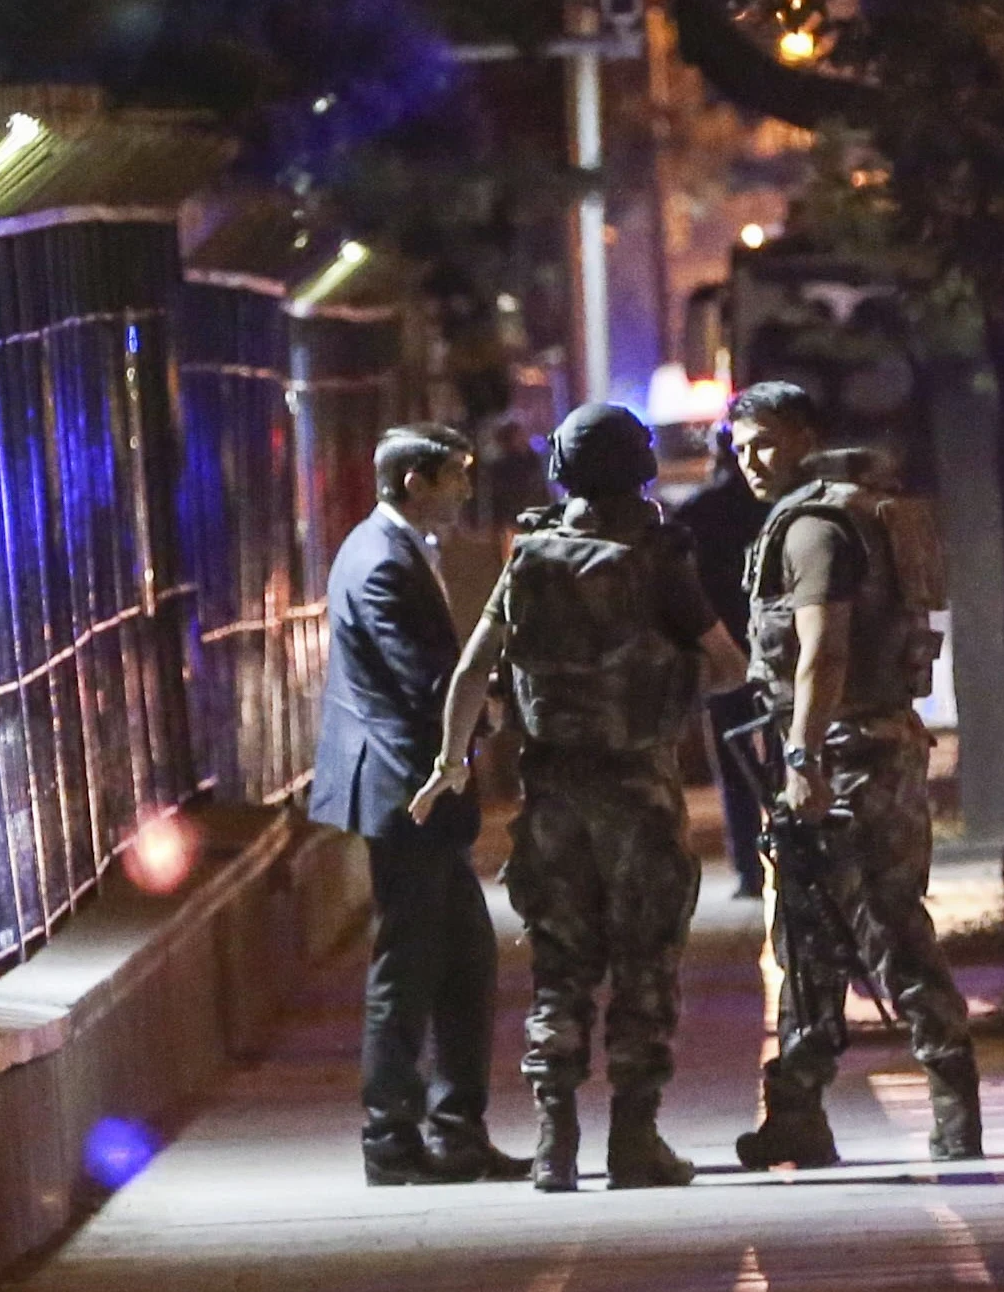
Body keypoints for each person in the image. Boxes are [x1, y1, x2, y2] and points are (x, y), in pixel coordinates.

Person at [413, 406, 746, 1192]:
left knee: (559, 967)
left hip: (553, 794)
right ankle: (635, 1140)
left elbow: (470, 672)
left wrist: (448, 761)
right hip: (639, 796)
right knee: (644, 963)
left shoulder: (530, 556)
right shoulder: (660, 556)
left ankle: (555, 1142)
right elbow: (726, 664)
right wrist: (668, 686)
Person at [725, 382, 983, 1168]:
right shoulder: (858, 510)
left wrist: (801, 758)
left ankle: (951, 1102)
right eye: (738, 448)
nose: (750, 462)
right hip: (863, 747)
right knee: (809, 932)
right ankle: (798, 1108)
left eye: (764, 442)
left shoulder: (814, 529)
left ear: (804, 434)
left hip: (845, 757)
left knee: (886, 927)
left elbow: (822, 654)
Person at [309, 426, 527, 1186]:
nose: (468, 490)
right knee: (407, 964)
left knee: (465, 958)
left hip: (423, 791)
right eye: (455, 476)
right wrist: (493, 710)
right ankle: (391, 1139)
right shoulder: (379, 563)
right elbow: (424, 681)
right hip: (404, 789)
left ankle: (456, 1128)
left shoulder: (397, 552)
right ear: (413, 482)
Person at [672, 428, 772, 899]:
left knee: (733, 762)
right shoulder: (775, 508)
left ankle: (749, 869)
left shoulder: (698, 512)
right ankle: (790, 857)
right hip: (777, 649)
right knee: (784, 753)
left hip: (721, 648)